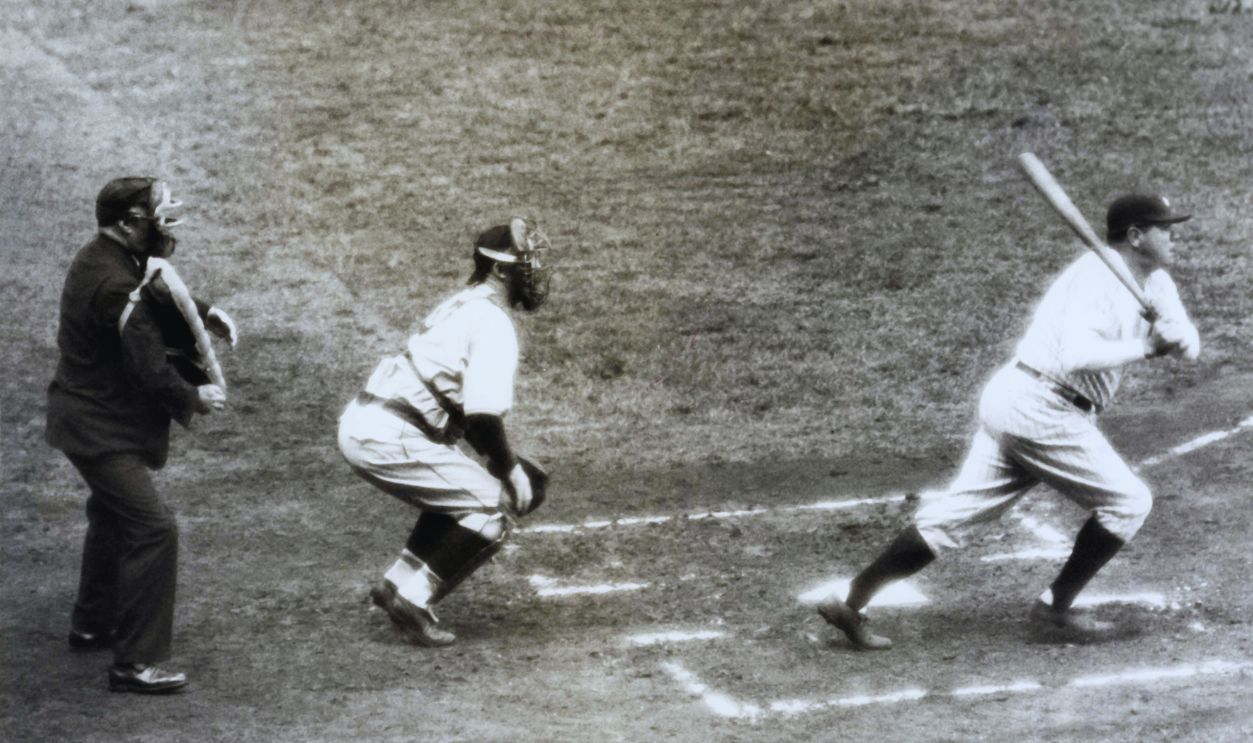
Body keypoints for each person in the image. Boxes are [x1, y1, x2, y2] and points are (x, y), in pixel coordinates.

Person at [818, 193, 1200, 649]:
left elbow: (1190, 346)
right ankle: (1054, 612)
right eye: (1165, 228)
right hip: (1039, 406)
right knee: (1129, 501)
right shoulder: (1094, 278)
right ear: (1135, 236)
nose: (1174, 235)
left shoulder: (1156, 283)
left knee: (952, 518)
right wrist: (1148, 348)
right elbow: (1078, 356)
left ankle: (851, 603)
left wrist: (1178, 337)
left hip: (1024, 405)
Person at [46, 177, 237, 692]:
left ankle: (92, 623)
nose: (167, 227)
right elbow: (150, 365)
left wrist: (204, 310)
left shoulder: (105, 258)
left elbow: (154, 286)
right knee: (154, 530)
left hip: (91, 418)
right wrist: (194, 396)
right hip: (99, 429)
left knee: (111, 517)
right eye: (158, 217)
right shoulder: (113, 282)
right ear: (130, 223)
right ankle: (136, 663)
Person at [338, 216, 552, 647]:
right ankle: (414, 600)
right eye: (525, 262)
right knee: (493, 507)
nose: (535, 271)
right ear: (500, 270)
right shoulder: (492, 323)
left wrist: (497, 461)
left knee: (461, 487)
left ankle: (395, 584)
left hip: (372, 423)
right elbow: (483, 415)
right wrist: (508, 471)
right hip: (390, 435)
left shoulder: (464, 303)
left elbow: (463, 409)